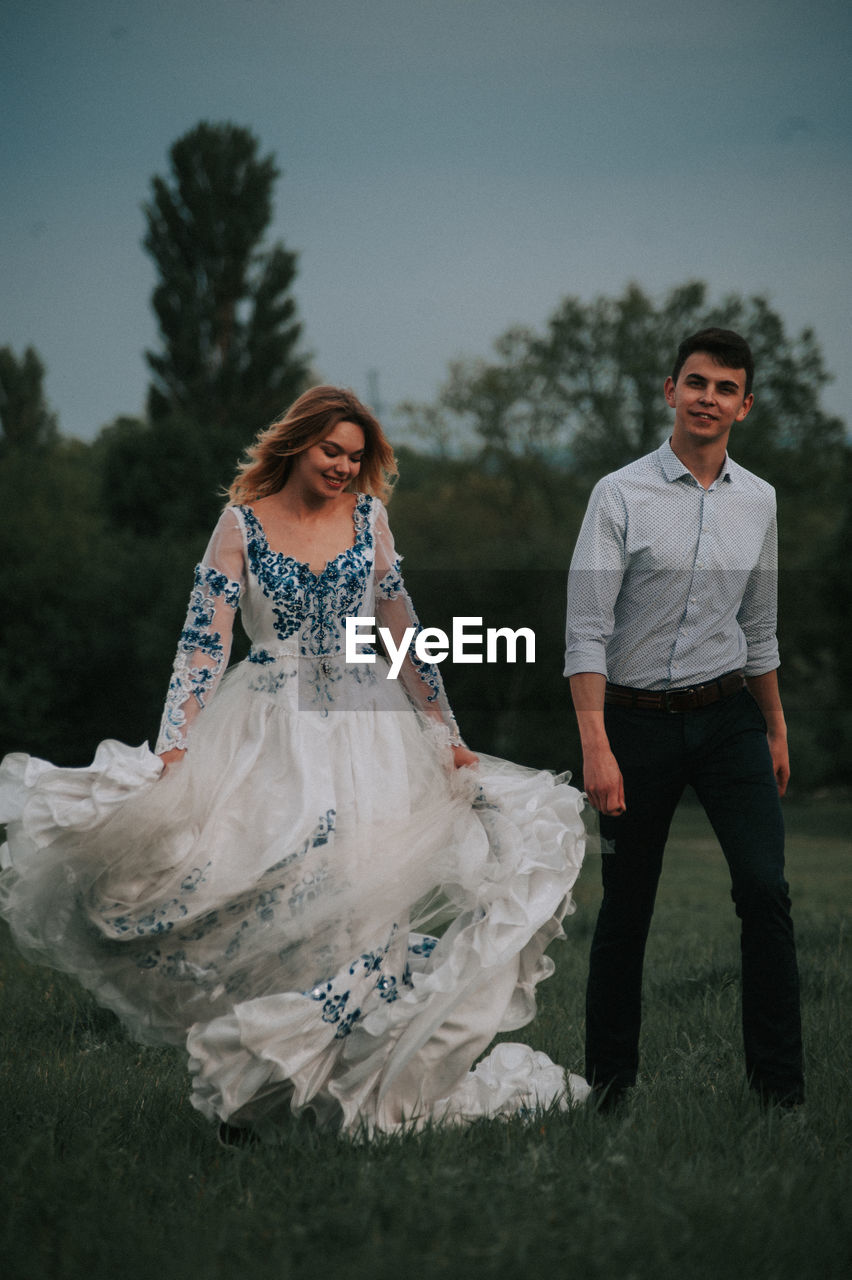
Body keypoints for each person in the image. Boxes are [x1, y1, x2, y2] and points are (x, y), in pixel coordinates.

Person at [0, 385, 588, 1140]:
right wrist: (175, 744)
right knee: (276, 880)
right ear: (297, 445)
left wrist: (446, 732)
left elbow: (404, 634)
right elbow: (203, 644)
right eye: (331, 451)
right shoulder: (240, 524)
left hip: (366, 728)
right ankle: (261, 1074)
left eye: (355, 456)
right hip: (270, 726)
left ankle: (324, 1078)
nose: (344, 467)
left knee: (360, 896)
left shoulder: (370, 520)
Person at [564, 328, 804, 1111]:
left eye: (724, 387)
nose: (708, 398)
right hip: (634, 725)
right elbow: (586, 633)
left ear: (746, 403)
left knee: (766, 892)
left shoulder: (760, 501)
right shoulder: (620, 495)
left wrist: (774, 727)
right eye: (695, 383)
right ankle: (610, 1093)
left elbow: (761, 628)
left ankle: (780, 1094)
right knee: (626, 908)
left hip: (728, 714)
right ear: (670, 391)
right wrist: (597, 749)